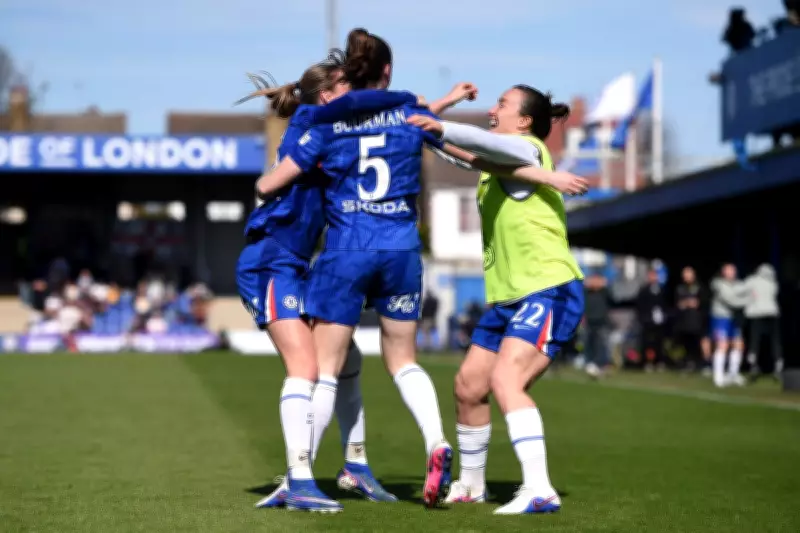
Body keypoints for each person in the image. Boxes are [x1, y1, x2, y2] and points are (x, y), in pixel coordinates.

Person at [253, 28, 462, 508]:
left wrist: (275, 182)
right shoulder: (409, 111)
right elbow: (458, 149)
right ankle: (435, 440)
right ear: (387, 71)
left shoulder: (325, 122)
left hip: (348, 250)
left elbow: (271, 183)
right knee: (402, 360)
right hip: (402, 249)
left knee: (324, 369)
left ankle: (300, 476)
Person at [236, 54, 419, 511]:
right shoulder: (312, 121)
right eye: (345, 85)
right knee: (306, 367)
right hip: (271, 260)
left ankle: (355, 466)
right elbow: (269, 184)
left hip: (298, 263)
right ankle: (298, 480)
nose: (354, 92)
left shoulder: (332, 125)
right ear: (326, 96)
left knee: (348, 360)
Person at [407, 85, 587, 514]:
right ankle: (471, 486)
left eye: (502, 104)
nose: (492, 108)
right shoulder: (501, 163)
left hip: (549, 288)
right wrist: (428, 131)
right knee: (469, 386)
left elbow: (477, 144)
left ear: (524, 121)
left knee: (507, 381)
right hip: (509, 298)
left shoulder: (528, 148)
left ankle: (539, 489)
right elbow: (469, 156)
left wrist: (442, 125)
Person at [710, 263, 748, 387]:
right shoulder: (718, 284)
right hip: (721, 318)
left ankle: (733, 374)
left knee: (738, 344)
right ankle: (718, 376)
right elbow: (731, 300)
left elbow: (747, 291)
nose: (732, 273)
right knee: (722, 345)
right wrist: (749, 300)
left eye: (733, 270)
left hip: (734, 318)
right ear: (723, 272)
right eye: (729, 270)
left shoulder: (739, 284)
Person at [743, 264, 782, 379]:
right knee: (775, 341)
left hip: (757, 314)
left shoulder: (752, 281)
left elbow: (741, 290)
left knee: (754, 340)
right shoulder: (773, 283)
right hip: (772, 313)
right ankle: (778, 364)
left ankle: (752, 364)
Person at [674, 266, 707, 372]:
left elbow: (702, 302)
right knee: (685, 344)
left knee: (697, 343)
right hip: (684, 321)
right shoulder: (680, 288)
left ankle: (700, 363)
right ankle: (687, 363)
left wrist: (694, 303)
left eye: (689, 274)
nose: (687, 276)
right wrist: (686, 303)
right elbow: (678, 304)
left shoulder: (699, 287)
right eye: (685, 274)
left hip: (696, 321)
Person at [636, 268, 667, 371]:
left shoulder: (661, 290)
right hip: (647, 320)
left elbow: (665, 304)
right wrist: (643, 318)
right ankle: (647, 362)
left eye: (654, 275)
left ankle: (659, 361)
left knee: (659, 341)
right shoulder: (644, 290)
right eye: (650, 275)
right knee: (647, 342)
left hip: (659, 320)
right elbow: (640, 306)